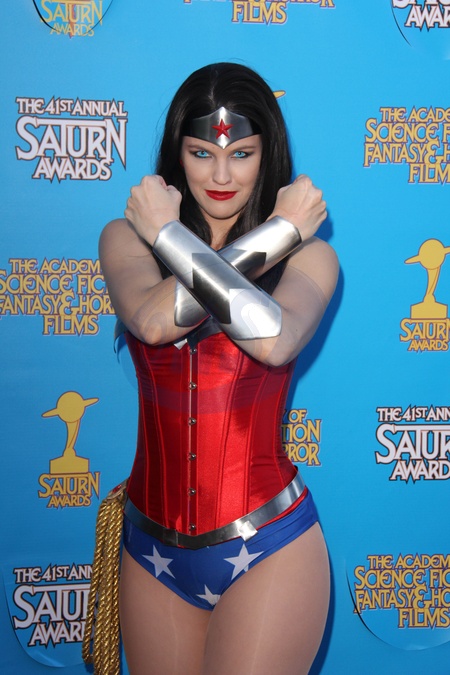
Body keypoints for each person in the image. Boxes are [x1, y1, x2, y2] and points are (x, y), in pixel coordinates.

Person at [99, 62, 339, 675]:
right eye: (202, 153)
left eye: (243, 154)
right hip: (152, 548)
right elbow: (154, 321)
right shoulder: (126, 240)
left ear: (267, 153)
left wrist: (177, 234)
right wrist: (275, 232)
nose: (222, 175)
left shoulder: (311, 258)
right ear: (177, 153)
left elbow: (276, 341)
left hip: (269, 545)